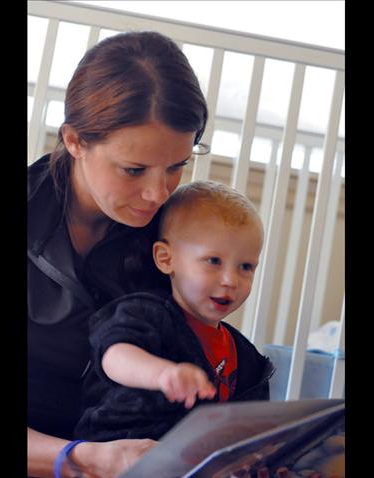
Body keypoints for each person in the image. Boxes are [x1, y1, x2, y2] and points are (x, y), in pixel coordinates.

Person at [28, 30, 208, 478]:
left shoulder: (172, 240)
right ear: (74, 140)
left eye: (176, 167)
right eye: (133, 169)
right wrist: (79, 457)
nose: (156, 193)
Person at [73, 180, 276, 442]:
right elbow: (113, 355)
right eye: (214, 261)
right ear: (166, 259)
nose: (231, 280)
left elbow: (249, 425)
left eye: (246, 267)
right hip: (124, 448)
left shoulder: (245, 356)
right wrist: (163, 374)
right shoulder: (146, 313)